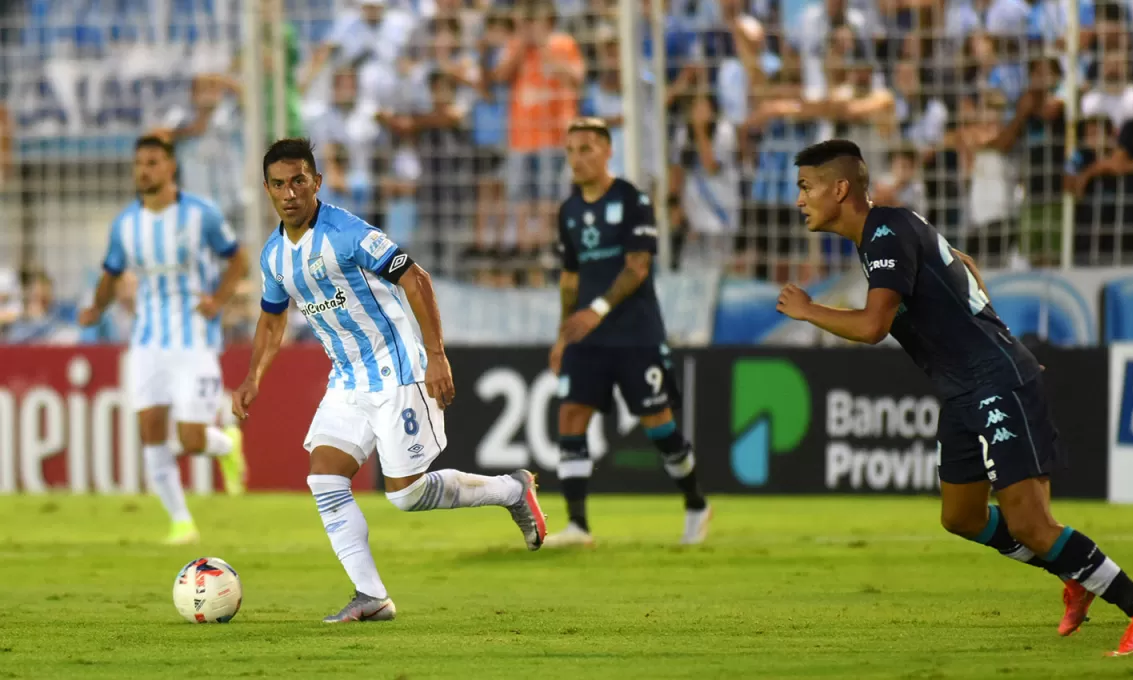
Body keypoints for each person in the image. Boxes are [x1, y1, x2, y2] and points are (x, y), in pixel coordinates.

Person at [775, 139, 1133, 657]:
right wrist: (1000, 337)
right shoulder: (890, 228)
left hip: (993, 383)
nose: (799, 200)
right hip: (966, 388)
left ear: (840, 188)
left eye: (806, 188)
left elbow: (874, 326)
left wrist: (810, 311)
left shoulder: (884, 232)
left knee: (1032, 525)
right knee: (961, 517)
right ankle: (1074, 569)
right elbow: (962, 264)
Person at [232, 138, 546, 623]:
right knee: (323, 476)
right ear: (268, 190)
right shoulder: (275, 255)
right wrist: (254, 375)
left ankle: (511, 490)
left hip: (396, 366)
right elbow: (272, 319)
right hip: (348, 379)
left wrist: (436, 355)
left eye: (299, 181)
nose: (289, 192)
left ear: (317, 182)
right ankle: (371, 595)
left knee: (405, 494)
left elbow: (416, 279)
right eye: (278, 184)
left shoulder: (348, 232)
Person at [546, 118, 711, 548]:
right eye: (571, 151)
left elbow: (638, 266)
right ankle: (578, 526)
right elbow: (569, 278)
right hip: (587, 335)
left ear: (607, 151)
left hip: (635, 332)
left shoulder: (632, 200)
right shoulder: (569, 211)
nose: (577, 159)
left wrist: (596, 310)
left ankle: (696, 504)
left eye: (586, 149)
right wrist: (563, 337)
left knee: (658, 424)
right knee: (571, 416)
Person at [79, 135, 250, 545]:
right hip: (147, 343)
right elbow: (111, 274)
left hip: (194, 341)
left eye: (152, 162)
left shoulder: (201, 214)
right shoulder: (125, 224)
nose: (144, 170)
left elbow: (238, 258)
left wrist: (220, 300)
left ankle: (226, 442)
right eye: (139, 162)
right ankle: (180, 522)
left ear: (171, 167)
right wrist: (96, 309)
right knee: (152, 431)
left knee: (191, 439)